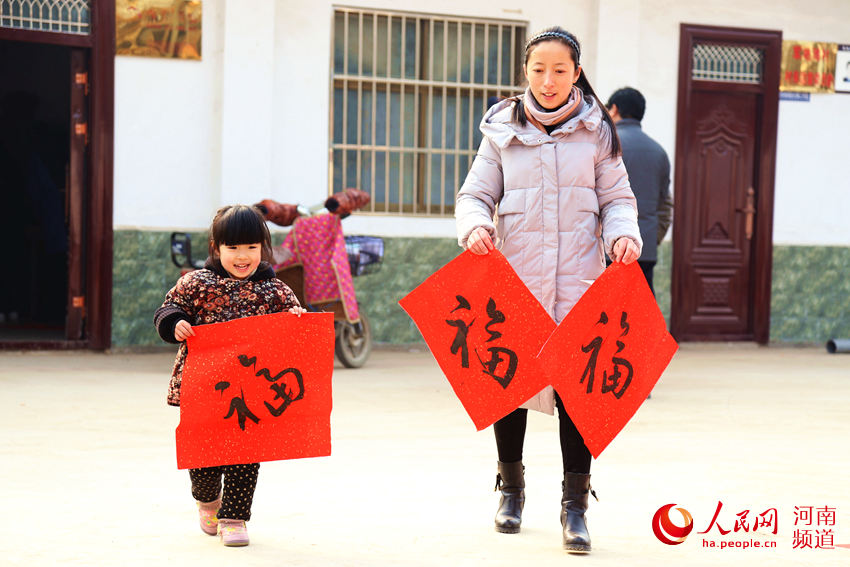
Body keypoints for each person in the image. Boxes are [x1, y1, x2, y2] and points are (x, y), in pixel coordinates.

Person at [455, 27, 642, 553]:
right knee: (508, 386)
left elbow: (618, 199)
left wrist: (623, 234)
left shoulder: (597, 132)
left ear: (576, 73)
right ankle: (510, 490)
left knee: (576, 394)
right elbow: (475, 195)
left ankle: (574, 506)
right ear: (525, 73)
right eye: (539, 69)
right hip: (513, 280)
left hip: (579, 281)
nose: (549, 80)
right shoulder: (500, 131)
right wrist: (474, 226)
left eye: (560, 70)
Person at [154, 204, 306, 547]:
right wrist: (174, 323)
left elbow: (294, 323)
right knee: (205, 456)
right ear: (216, 248)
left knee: (245, 454)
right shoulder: (197, 284)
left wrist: (297, 320)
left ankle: (235, 517)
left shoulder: (274, 290)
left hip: (253, 393)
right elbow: (168, 308)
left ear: (262, 249)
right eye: (233, 247)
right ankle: (207, 500)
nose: (243, 256)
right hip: (204, 388)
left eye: (251, 247)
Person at [606, 87, 672, 295]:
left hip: (611, 250)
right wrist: (650, 238)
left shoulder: (607, 145)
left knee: (606, 317)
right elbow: (665, 205)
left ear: (614, 109)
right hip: (645, 251)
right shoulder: (658, 151)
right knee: (639, 317)